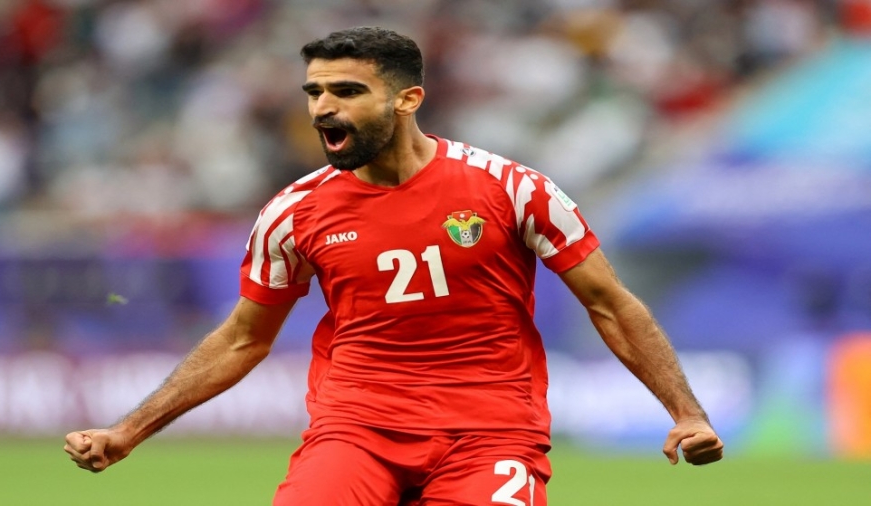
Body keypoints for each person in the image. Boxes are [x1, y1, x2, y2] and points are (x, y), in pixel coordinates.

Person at [64, 26, 723, 505]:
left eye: (347, 91)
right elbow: (243, 338)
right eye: (315, 91)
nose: (323, 107)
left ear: (407, 99)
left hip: (490, 433)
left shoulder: (512, 189)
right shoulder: (294, 213)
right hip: (357, 430)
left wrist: (686, 412)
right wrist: (128, 431)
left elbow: (610, 303)